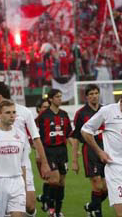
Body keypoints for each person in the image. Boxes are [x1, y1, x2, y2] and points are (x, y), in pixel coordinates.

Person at [0, 82, 51, 217]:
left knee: (29, 206)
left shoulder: (24, 112)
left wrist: (44, 163)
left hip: (22, 164)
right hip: (1, 166)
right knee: (7, 207)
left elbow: (36, 138)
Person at [81, 87, 122, 217]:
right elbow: (85, 131)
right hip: (116, 169)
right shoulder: (107, 111)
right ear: (121, 101)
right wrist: (99, 152)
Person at [36, 89, 73, 217]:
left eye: (60, 96)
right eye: (57, 97)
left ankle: (57, 211)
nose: (60, 99)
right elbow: (36, 134)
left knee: (62, 182)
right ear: (50, 99)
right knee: (55, 180)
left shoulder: (64, 114)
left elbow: (69, 133)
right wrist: (38, 152)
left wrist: (74, 147)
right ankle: (50, 207)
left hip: (62, 151)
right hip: (49, 151)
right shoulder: (43, 116)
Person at [71, 84, 107, 217]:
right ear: (86, 97)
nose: (94, 96)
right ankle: (97, 213)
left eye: (96, 93)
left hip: (105, 150)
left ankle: (90, 206)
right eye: (91, 94)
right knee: (97, 185)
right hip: (90, 151)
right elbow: (75, 137)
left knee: (107, 188)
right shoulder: (81, 113)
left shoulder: (105, 110)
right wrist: (75, 160)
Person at [34, 98, 51, 212]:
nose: (46, 110)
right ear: (38, 109)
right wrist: (38, 153)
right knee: (48, 180)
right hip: (41, 154)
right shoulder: (35, 122)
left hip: (53, 153)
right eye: (44, 107)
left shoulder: (51, 119)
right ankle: (50, 206)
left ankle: (44, 199)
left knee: (54, 181)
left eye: (48, 107)